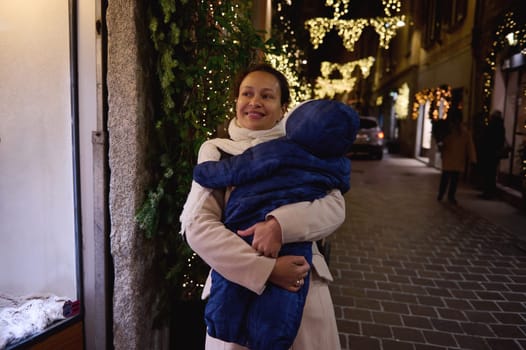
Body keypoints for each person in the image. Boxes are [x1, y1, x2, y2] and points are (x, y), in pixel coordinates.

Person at [180, 63, 344, 350]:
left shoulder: (304, 150)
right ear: (236, 101)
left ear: (283, 107)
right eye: (247, 93)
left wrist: (280, 225)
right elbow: (198, 227)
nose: (255, 102)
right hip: (236, 283)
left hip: (301, 283)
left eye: (267, 96)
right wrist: (266, 269)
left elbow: (334, 207)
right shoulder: (217, 151)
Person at [437, 109, 477, 204]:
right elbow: (470, 147)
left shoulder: (455, 132)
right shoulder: (460, 132)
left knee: (447, 178)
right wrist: (473, 159)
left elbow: (469, 146)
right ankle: (449, 196)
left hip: (450, 159)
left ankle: (443, 195)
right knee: (452, 179)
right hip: (456, 160)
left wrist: (473, 159)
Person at [479, 110, 506, 199]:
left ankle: (488, 192)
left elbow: (486, 138)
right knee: (492, 173)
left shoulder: (491, 125)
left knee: (488, 173)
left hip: (489, 152)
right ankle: (490, 191)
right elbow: (501, 140)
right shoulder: (501, 127)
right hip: (495, 153)